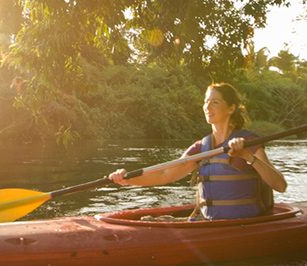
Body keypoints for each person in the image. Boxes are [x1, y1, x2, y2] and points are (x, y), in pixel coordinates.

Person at [108, 82, 286, 220]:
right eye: (206, 102)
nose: (208, 107)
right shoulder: (201, 147)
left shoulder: (250, 142)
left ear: (231, 108)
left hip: (249, 224)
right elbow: (165, 174)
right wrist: (126, 180)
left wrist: (247, 156)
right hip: (211, 224)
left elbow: (280, 185)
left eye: (215, 102)